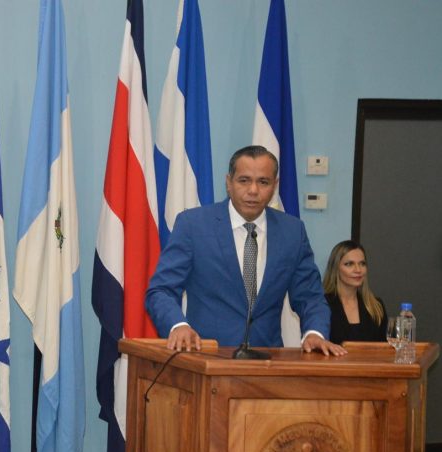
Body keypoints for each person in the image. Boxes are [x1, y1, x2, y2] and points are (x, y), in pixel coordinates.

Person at [145, 145, 346, 356]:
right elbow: (161, 290)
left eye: (263, 182)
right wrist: (177, 326)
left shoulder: (292, 231)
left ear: (275, 185)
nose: (253, 190)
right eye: (244, 180)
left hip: (267, 360)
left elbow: (310, 297)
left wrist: (314, 332)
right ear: (229, 182)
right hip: (206, 357)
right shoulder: (193, 225)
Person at [323, 240, 387, 343]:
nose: (358, 270)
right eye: (349, 264)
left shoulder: (376, 306)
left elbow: (384, 348)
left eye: (362, 264)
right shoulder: (323, 305)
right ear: (335, 268)